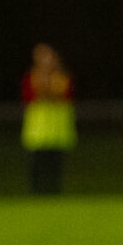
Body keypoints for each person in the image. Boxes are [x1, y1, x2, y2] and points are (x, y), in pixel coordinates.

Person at [21, 43, 76, 194]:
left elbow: (65, 95)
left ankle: (55, 193)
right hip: (38, 131)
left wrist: (48, 89)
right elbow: (29, 96)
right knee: (36, 165)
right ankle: (35, 193)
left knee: (56, 165)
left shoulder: (62, 78)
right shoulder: (32, 77)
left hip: (57, 130)